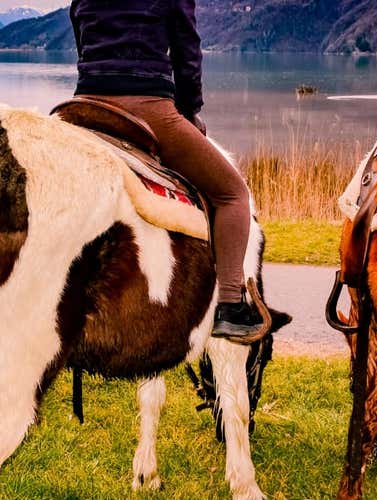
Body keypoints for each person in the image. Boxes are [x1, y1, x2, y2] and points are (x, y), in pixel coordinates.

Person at [69, 0, 260, 337]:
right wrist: (190, 111)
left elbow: (81, 42)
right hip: (147, 107)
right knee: (232, 194)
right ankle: (231, 304)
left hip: (84, 103)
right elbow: (187, 53)